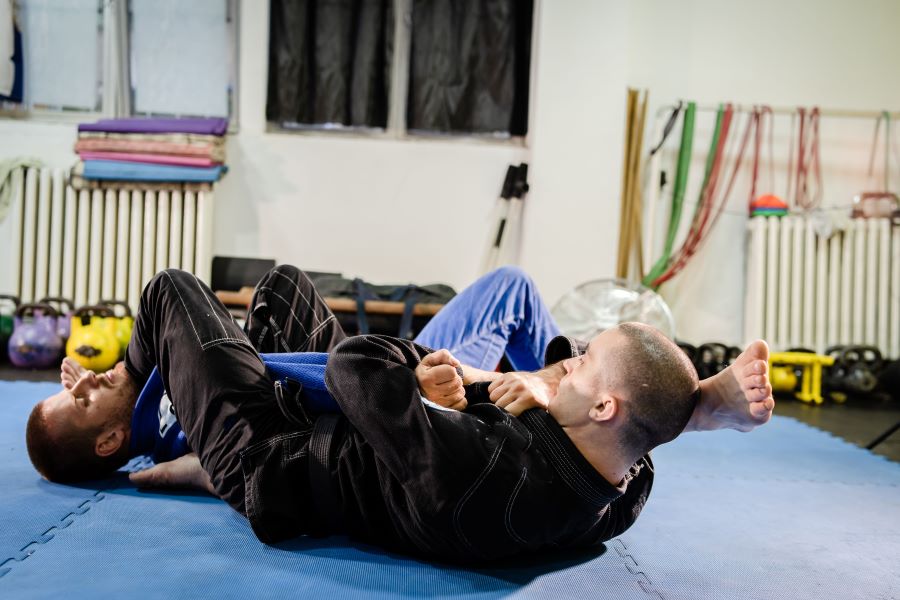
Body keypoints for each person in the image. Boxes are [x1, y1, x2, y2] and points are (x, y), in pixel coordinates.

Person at [27, 265, 774, 563]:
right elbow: (636, 441)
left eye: (576, 365)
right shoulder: (618, 484)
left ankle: (179, 418)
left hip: (270, 460)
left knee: (173, 295)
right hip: (357, 426)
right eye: (85, 395)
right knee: (269, 299)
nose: (563, 364)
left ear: (600, 406)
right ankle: (179, 404)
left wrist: (467, 387)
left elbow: (359, 368)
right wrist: (696, 404)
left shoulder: (486, 466)